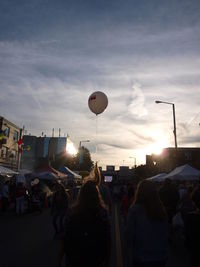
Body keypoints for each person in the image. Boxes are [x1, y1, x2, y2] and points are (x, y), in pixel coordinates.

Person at [57, 180, 111, 267]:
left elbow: (63, 240)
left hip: (74, 260)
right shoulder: (102, 214)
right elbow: (107, 241)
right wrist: (106, 262)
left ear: (81, 195)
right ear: (97, 195)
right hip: (95, 260)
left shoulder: (72, 213)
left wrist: (58, 262)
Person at [125, 180, 168, 267]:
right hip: (160, 257)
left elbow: (128, 235)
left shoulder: (135, 210)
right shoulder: (161, 209)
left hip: (141, 257)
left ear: (139, 192)